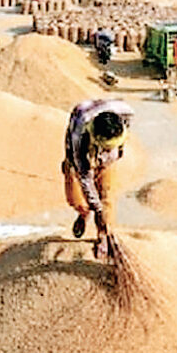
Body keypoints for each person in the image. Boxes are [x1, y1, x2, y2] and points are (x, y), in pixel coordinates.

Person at [61, 99, 134, 259]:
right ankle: (83, 213)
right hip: (80, 154)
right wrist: (97, 209)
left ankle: (104, 234)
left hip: (106, 153)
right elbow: (85, 179)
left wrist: (117, 150)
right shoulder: (79, 138)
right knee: (75, 196)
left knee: (107, 195)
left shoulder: (125, 111)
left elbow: (127, 124)